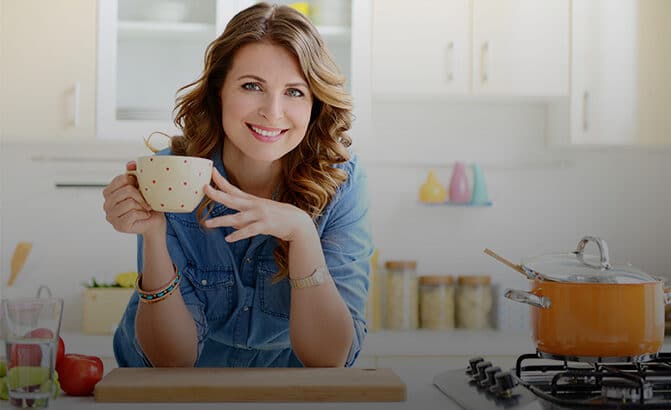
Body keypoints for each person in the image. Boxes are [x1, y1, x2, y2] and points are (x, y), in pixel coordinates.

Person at [102, 3, 373, 368]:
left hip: (287, 394)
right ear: (219, 92)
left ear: (315, 104)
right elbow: (171, 361)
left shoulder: (342, 182)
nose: (272, 112)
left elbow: (329, 359)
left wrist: (302, 234)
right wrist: (153, 235)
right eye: (251, 86)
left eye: (294, 92)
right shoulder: (174, 173)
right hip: (178, 394)